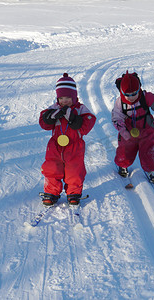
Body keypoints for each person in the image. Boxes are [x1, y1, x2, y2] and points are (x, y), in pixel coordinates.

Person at [39, 73, 96, 206]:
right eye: (61, 98)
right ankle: (51, 192)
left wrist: (74, 118)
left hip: (74, 146)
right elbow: (44, 123)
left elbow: (88, 124)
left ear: (74, 97)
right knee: (52, 168)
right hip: (55, 146)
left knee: (75, 170)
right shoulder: (54, 109)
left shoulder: (80, 109)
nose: (64, 101)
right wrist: (50, 117)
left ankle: (73, 193)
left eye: (68, 98)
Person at [112, 71, 154, 183]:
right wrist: (123, 131)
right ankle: (122, 165)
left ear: (139, 89)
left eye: (134, 93)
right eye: (127, 95)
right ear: (122, 92)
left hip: (146, 129)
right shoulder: (120, 103)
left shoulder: (145, 97)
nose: (131, 97)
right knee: (125, 150)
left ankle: (151, 170)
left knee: (149, 151)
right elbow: (116, 117)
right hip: (129, 132)